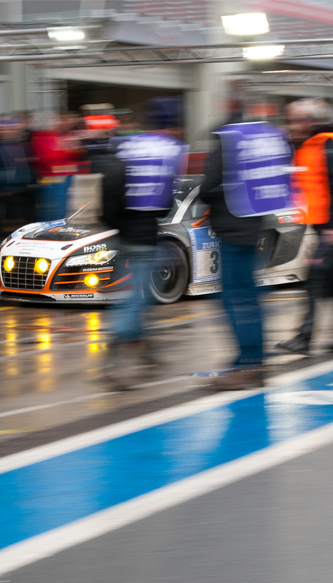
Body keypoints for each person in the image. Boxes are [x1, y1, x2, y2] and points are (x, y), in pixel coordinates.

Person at [98, 98, 187, 385]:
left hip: (121, 231)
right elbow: (164, 203)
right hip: (146, 235)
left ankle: (148, 351)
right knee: (138, 298)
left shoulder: (125, 145)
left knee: (139, 295)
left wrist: (114, 223)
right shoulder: (169, 150)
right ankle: (111, 358)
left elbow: (108, 185)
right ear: (172, 124)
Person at [198, 122, 289, 390]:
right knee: (248, 295)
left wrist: (212, 189)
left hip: (232, 231)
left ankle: (248, 363)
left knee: (233, 298)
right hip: (252, 228)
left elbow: (207, 189)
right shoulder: (257, 151)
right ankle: (254, 361)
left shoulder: (224, 151)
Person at [276, 98, 333, 356]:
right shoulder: (312, 143)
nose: (291, 126)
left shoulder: (329, 144)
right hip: (323, 223)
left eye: (295, 120)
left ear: (309, 120)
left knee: (315, 279)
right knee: (331, 283)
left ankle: (304, 338)